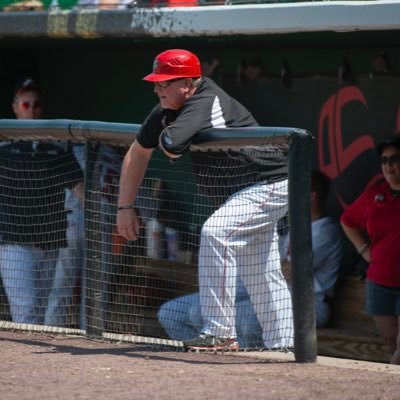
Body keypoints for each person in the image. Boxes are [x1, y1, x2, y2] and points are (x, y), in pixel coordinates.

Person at [117, 49, 293, 351]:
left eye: (163, 83)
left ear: (186, 83)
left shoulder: (204, 100)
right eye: (156, 83)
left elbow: (172, 145)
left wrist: (166, 130)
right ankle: (284, 345)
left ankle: (220, 332)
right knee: (260, 270)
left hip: (268, 183)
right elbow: (138, 151)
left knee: (216, 233)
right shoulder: (169, 108)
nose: (156, 89)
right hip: (244, 192)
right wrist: (124, 207)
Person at [157, 171, 343, 347]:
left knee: (240, 320)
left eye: (288, 191)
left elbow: (290, 271)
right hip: (261, 292)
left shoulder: (326, 231)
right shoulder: (289, 226)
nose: (283, 196)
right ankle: (209, 360)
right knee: (172, 313)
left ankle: (242, 367)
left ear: (311, 196)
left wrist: (252, 264)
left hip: (308, 303)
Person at [0, 78, 83, 325]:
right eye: (26, 104)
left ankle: (42, 363)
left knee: (42, 308)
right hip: (12, 240)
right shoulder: (2, 145)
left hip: (50, 239)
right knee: (26, 311)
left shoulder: (56, 146)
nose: (32, 109)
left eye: (36, 104)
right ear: (15, 107)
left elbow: (79, 187)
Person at [340, 136, 400, 365]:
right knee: (392, 344)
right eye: (384, 160)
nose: (388, 166)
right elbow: (347, 220)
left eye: (395, 159)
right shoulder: (375, 195)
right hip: (380, 281)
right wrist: (364, 249)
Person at [280, 170, 344, 328]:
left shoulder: (326, 232)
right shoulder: (297, 227)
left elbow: (293, 272)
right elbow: (279, 266)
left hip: (312, 305)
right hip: (287, 299)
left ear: (311, 196)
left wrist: (270, 267)